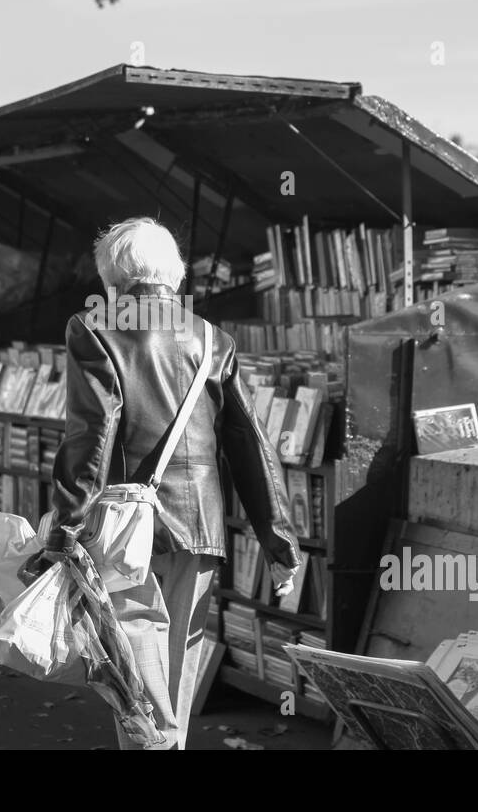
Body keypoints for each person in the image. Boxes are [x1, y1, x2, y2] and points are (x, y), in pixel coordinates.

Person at [23, 217, 302, 750]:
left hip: (126, 530)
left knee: (137, 687)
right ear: (172, 275)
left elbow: (91, 434)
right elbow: (249, 441)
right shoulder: (212, 338)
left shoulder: (93, 327)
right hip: (200, 528)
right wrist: (278, 540)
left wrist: (64, 527)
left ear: (112, 276)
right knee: (173, 675)